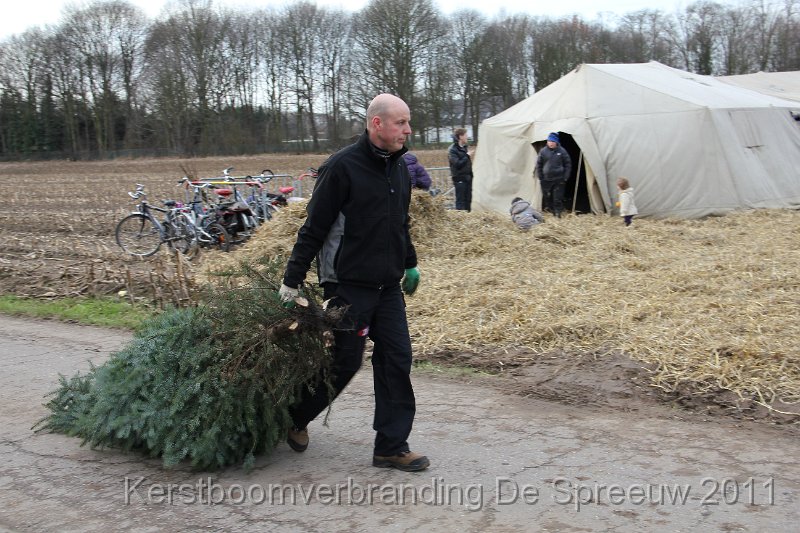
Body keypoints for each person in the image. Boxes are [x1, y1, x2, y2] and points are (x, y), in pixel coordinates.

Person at [278, 94, 429, 473]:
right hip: (348, 287)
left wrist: (409, 263)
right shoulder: (341, 168)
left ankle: (391, 447)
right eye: (401, 123)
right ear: (377, 124)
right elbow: (314, 227)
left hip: (387, 287)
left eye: (408, 123)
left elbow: (399, 223)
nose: (408, 130)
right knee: (344, 362)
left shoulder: (399, 168)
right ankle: (293, 416)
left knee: (397, 358)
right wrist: (291, 280)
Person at [535, 132, 572, 217]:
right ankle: (551, 210)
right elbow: (539, 164)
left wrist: (566, 176)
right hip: (546, 179)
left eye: (552, 141)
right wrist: (540, 176)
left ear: (556, 142)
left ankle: (557, 213)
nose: (550, 143)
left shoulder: (562, 151)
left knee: (557, 198)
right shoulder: (543, 151)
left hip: (559, 179)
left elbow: (568, 164)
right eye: (549, 141)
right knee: (547, 197)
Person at [448, 128, 474, 211]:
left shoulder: (464, 147)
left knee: (468, 200)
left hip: (468, 178)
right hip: (459, 178)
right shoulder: (452, 150)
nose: (467, 137)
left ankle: (468, 217)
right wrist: (467, 156)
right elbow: (457, 164)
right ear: (460, 136)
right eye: (466, 135)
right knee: (460, 201)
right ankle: (460, 217)